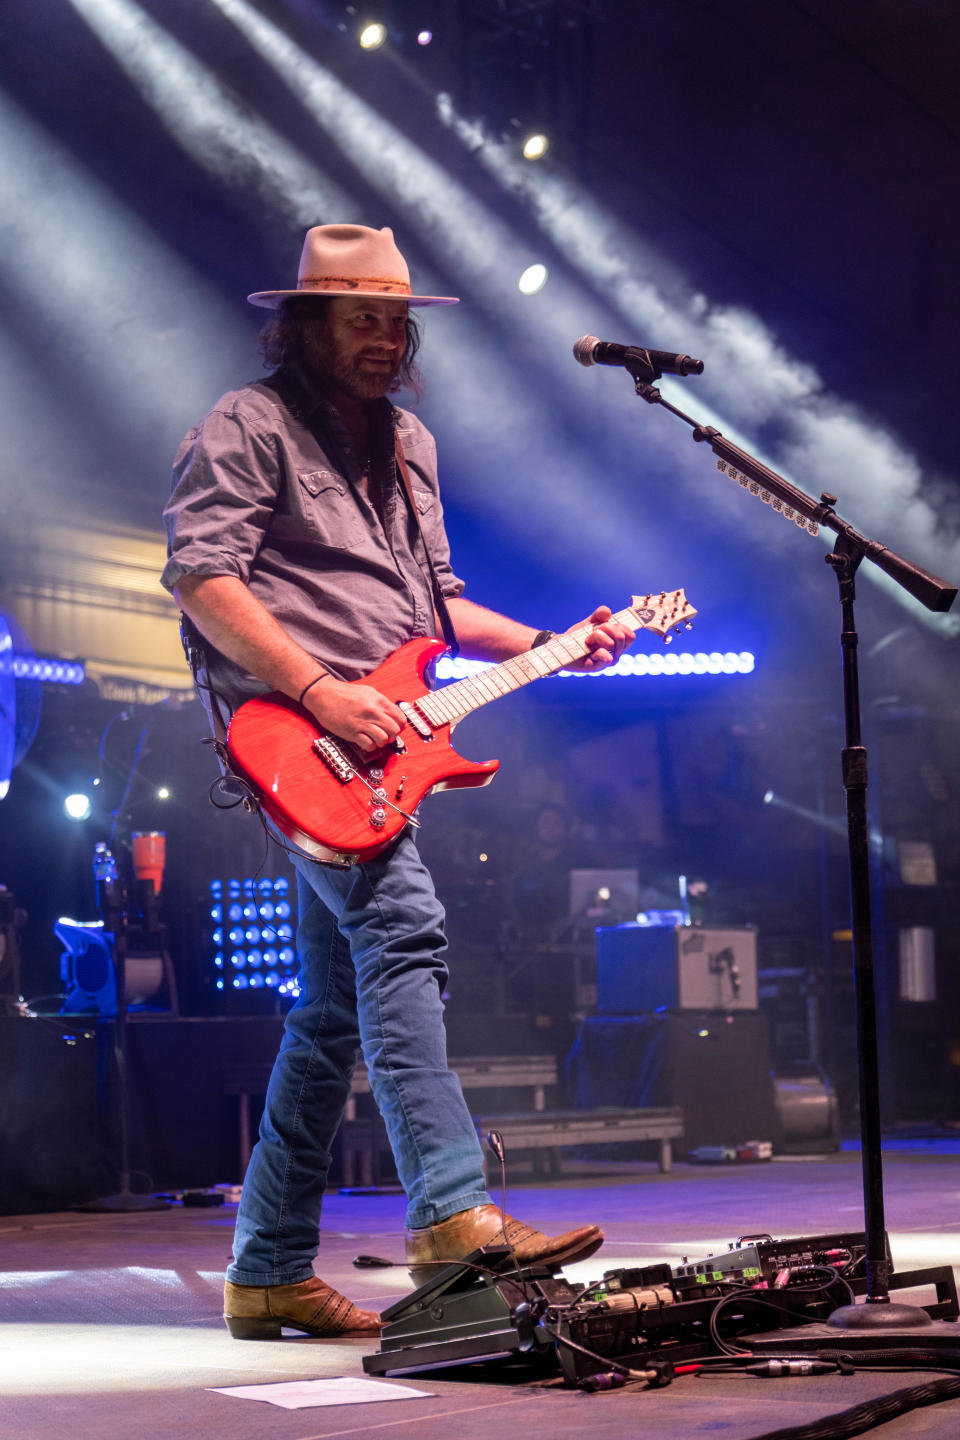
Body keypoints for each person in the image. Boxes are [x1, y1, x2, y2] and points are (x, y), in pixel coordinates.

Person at [162, 224, 635, 1341]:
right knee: (406, 931)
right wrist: (324, 692)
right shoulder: (248, 424)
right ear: (307, 324)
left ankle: (269, 1270)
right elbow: (202, 577)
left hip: (391, 733)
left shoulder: (410, 442)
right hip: (298, 734)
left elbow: (435, 613)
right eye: (359, 318)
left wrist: (555, 637)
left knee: (330, 1015)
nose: (383, 340)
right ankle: (451, 1209)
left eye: (395, 322)